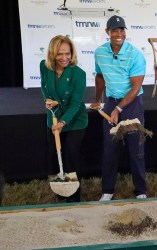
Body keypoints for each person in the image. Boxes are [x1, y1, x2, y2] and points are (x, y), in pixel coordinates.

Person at [90, 15, 147, 201]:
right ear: (108, 32)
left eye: (122, 30)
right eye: (115, 30)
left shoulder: (135, 55)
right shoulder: (99, 52)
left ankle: (140, 191)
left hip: (132, 104)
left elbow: (136, 87)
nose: (119, 33)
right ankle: (107, 191)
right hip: (111, 102)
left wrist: (118, 109)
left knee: (135, 148)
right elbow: (100, 77)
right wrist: (98, 99)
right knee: (110, 148)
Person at [40, 35, 88, 202]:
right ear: (52, 54)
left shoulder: (79, 74)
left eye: (67, 53)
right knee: (55, 157)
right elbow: (44, 85)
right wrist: (47, 100)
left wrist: (62, 122)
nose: (64, 58)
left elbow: (75, 104)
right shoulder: (44, 66)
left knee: (70, 157)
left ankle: (74, 197)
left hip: (74, 121)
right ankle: (60, 193)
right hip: (53, 119)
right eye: (60, 54)